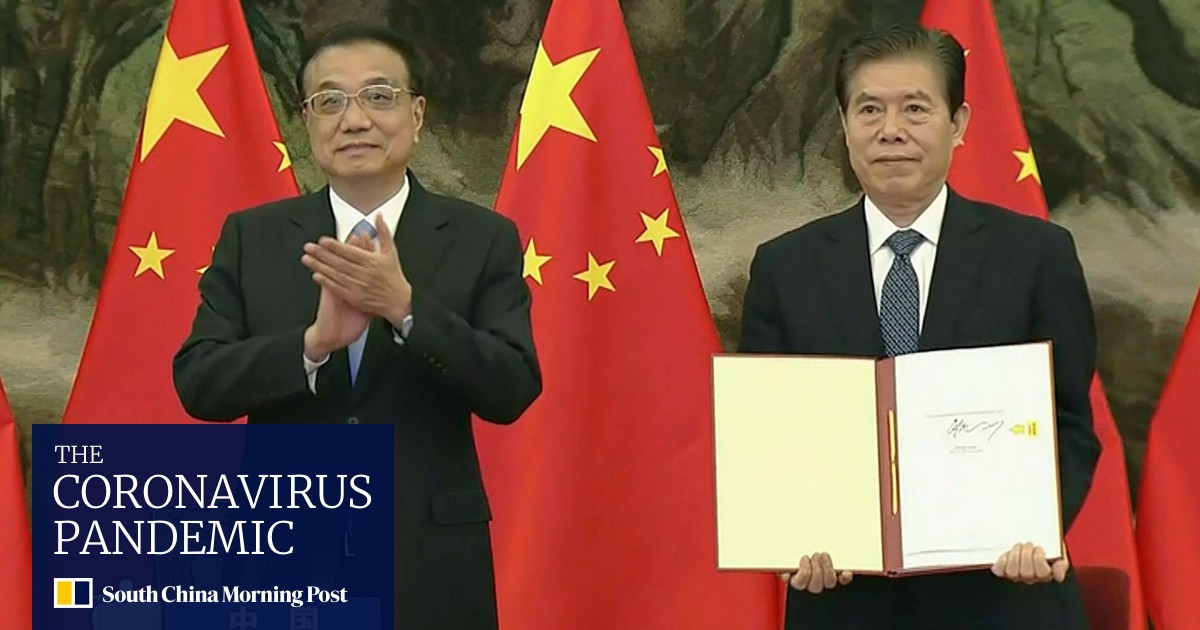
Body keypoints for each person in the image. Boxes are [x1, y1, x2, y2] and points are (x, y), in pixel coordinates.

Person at [173, 22, 541, 629]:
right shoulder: (253, 237)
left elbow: (512, 387)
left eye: (378, 95)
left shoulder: (482, 238)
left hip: (429, 564)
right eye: (330, 101)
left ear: (416, 114)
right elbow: (199, 383)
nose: (354, 119)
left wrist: (405, 309)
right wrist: (313, 345)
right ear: (308, 121)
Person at [738, 24, 1100, 629]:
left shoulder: (1036, 255)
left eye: (915, 108)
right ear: (844, 124)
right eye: (869, 109)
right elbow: (767, 431)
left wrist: (1040, 527)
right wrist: (790, 539)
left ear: (958, 123)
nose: (891, 130)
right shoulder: (784, 267)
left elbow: (1069, 422)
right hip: (845, 602)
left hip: (1002, 598)